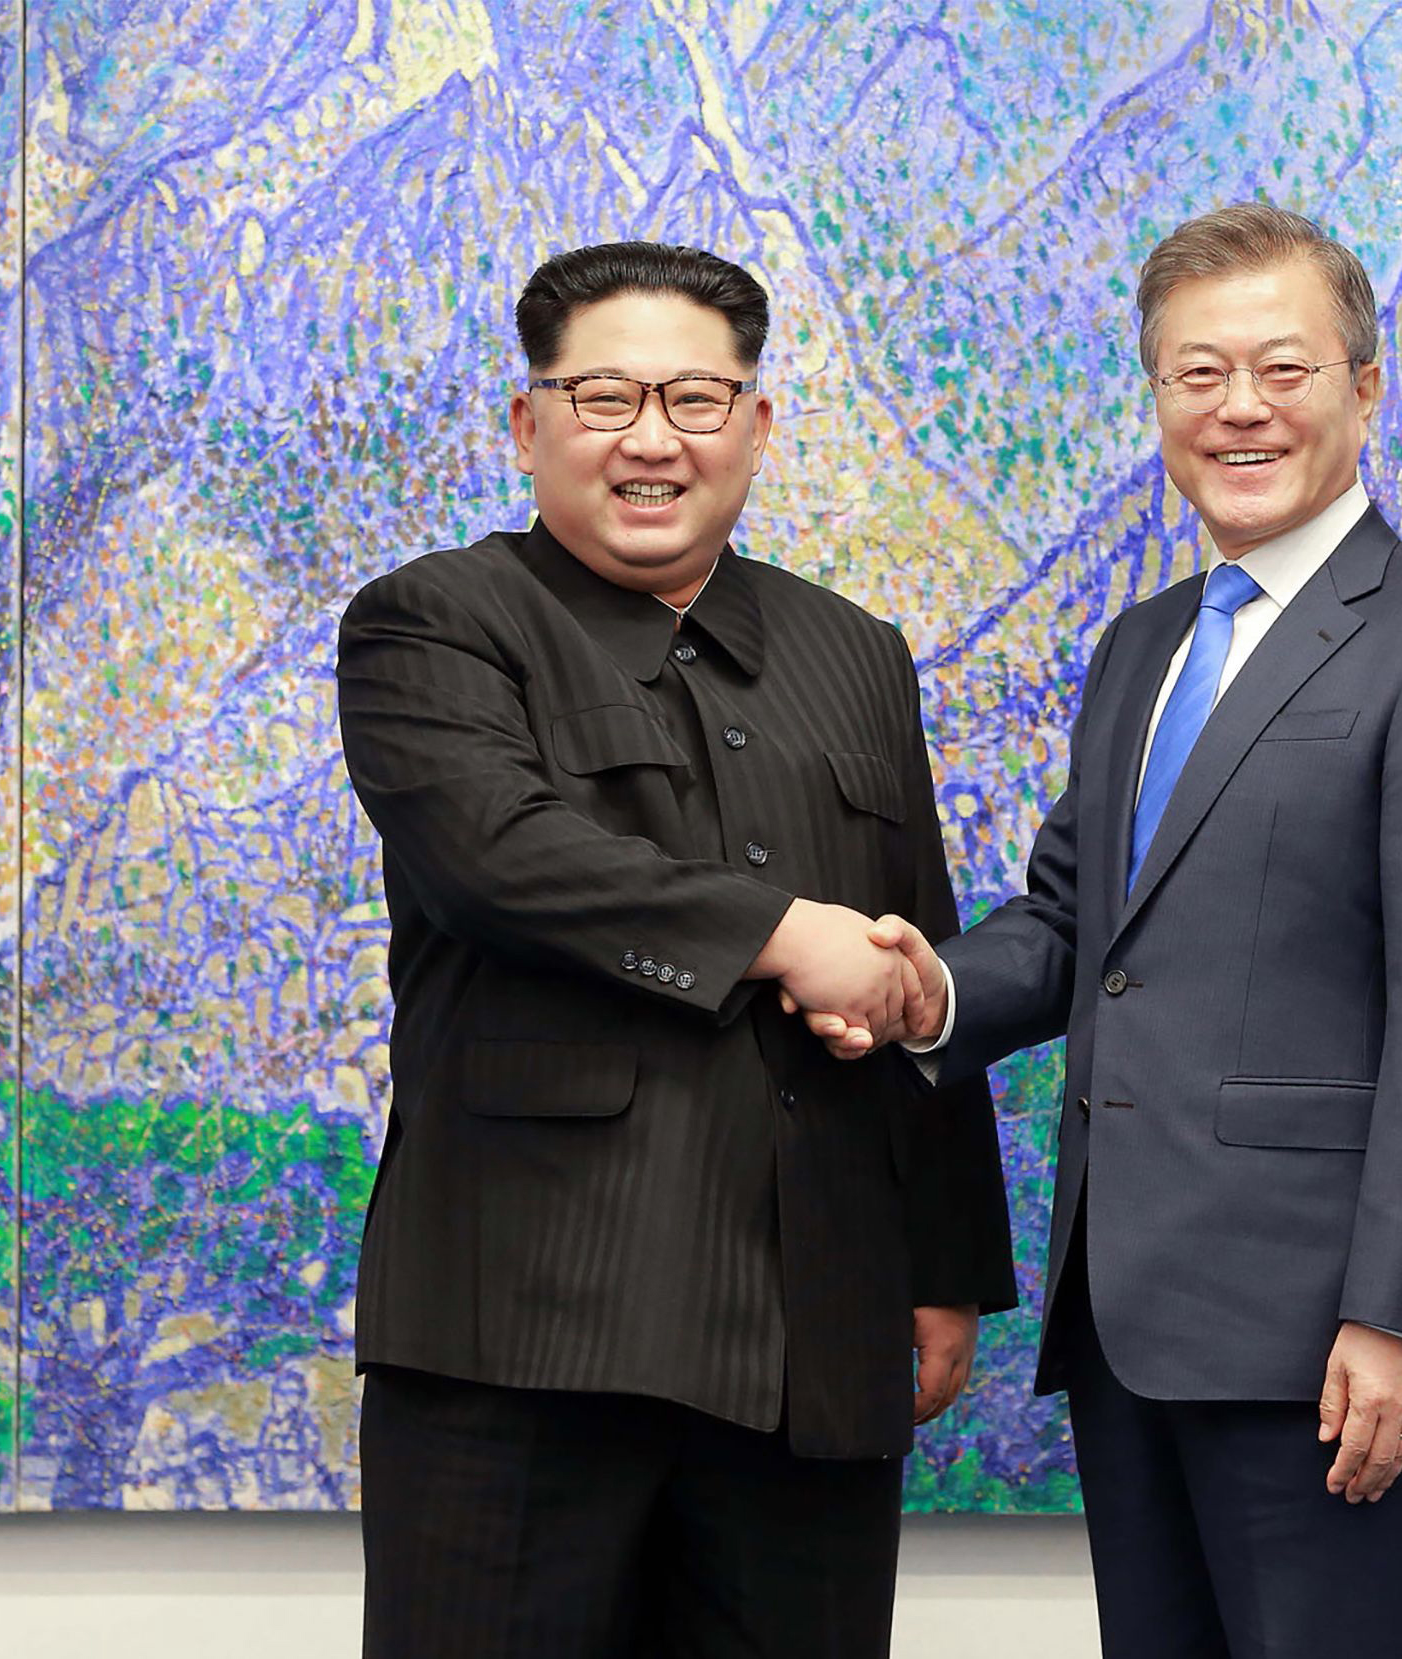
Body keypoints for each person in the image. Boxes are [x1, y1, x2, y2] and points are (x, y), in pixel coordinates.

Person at [818, 202, 1402, 1657]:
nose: (1240, 408)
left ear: (1365, 386)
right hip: (1130, 1323)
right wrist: (925, 994)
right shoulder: (1144, 645)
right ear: (1158, 397)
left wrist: (1401, 1318)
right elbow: (1078, 923)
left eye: (1283, 369)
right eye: (1197, 373)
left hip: (1327, 1343)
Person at [335, 239, 1015, 1659]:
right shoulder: (435, 622)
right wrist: (783, 936)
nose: (653, 440)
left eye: (696, 400)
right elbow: (498, 856)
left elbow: (916, 951)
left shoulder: (857, 653)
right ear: (528, 424)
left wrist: (945, 1260)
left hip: (815, 1336)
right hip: (522, 1338)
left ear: (756, 426)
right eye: (605, 397)